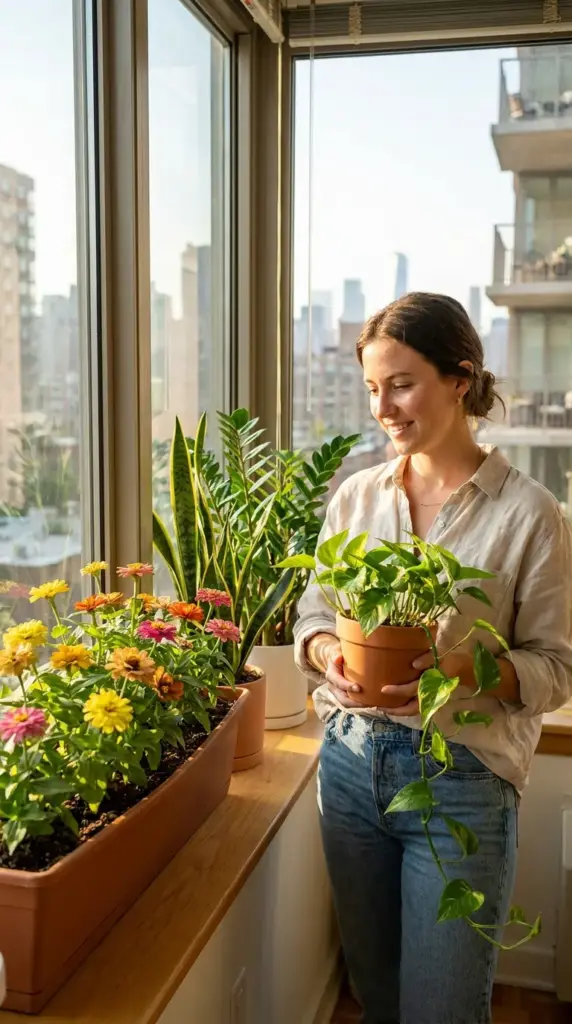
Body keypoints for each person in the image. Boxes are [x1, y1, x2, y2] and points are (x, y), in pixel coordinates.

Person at [294, 292, 572, 1024]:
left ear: (460, 378)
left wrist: (465, 671)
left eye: (402, 383)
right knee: (375, 993)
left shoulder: (529, 513)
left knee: (443, 1008)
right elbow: (315, 618)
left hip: (463, 781)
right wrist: (330, 656)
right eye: (372, 389)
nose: (383, 407)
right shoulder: (356, 497)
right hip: (350, 770)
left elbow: (556, 668)